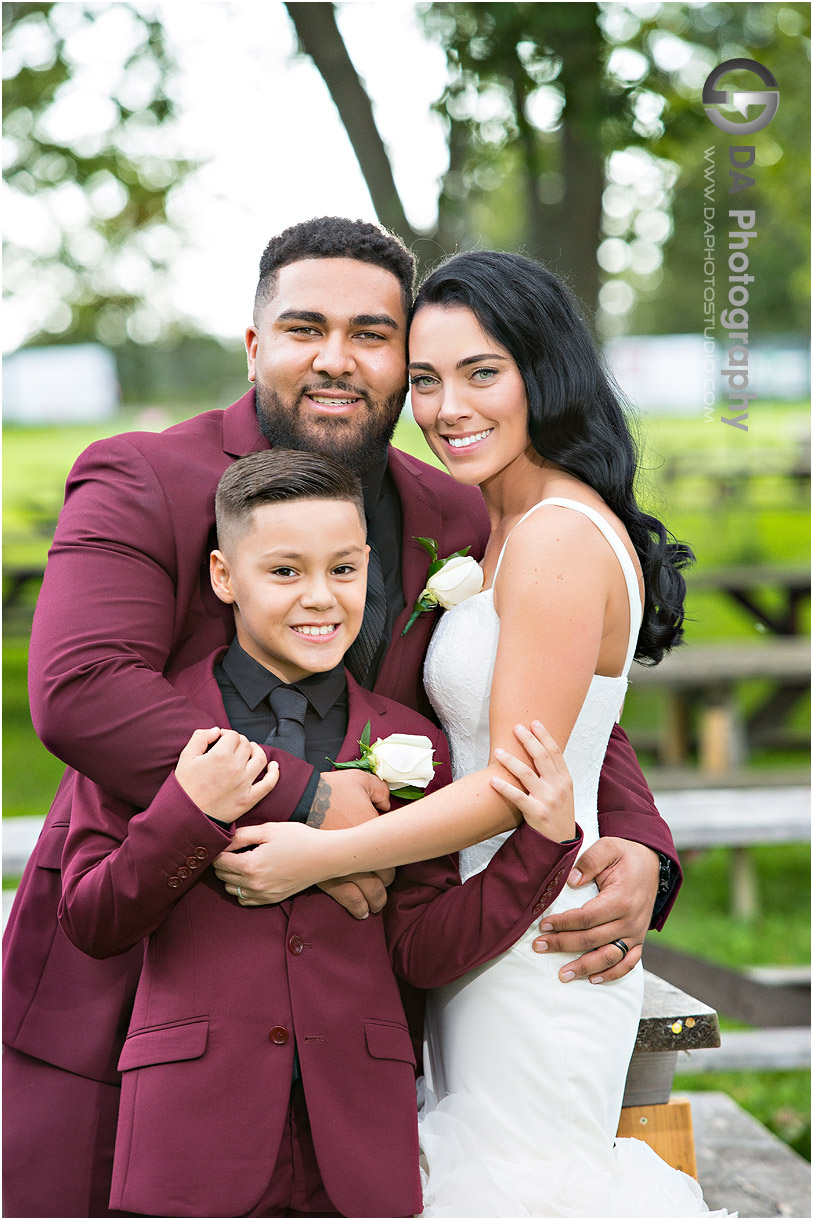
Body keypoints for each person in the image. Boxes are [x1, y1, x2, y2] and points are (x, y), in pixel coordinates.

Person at [3, 219, 678, 1218]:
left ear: (405, 357)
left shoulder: (459, 514)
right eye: (304, 326)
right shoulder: (143, 477)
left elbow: (542, 693)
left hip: (373, 1000)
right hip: (144, 975)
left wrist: (642, 844)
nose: (335, 357)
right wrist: (319, 799)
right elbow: (83, 686)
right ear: (253, 343)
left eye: (372, 332)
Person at [210, 250, 725, 1217]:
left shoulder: (556, 538)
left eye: (482, 372)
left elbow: (512, 785)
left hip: (541, 943)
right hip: (475, 926)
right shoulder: (499, 525)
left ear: (546, 369)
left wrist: (319, 854)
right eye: (426, 379)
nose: (449, 406)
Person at [57, 449, 583, 1217]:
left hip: (359, 1141)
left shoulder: (407, 741)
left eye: (342, 570)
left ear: (369, 568)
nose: (320, 598)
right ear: (223, 577)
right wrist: (189, 812)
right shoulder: (155, 729)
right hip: (193, 1136)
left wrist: (540, 842)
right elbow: (92, 921)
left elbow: (422, 949)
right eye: (283, 572)